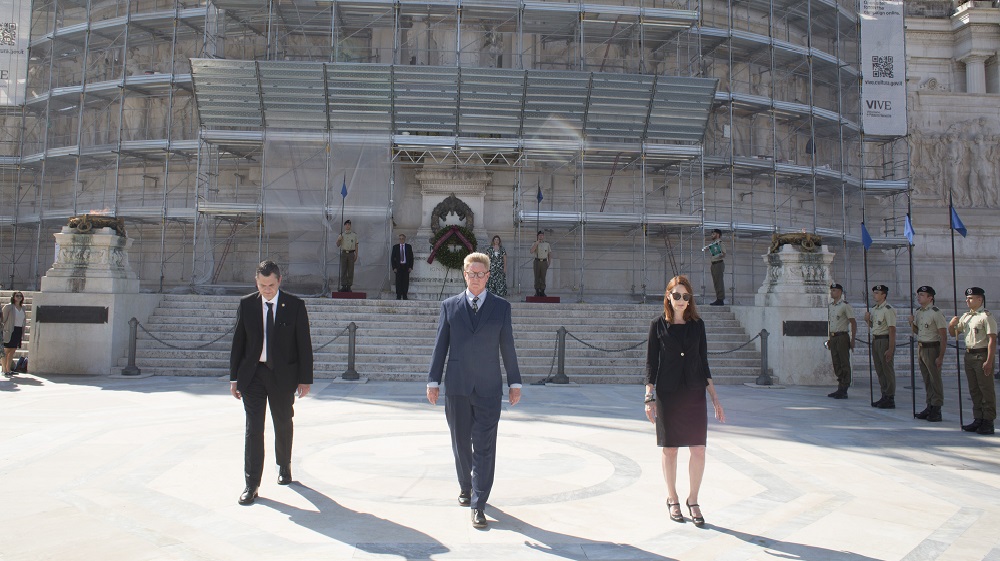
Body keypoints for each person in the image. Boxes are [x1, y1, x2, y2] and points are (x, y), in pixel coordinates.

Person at [426, 252, 522, 529]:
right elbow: (440, 345)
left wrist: (514, 382)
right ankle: (466, 485)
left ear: (488, 276)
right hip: (456, 385)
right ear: (464, 275)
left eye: (481, 274)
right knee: (460, 443)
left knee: (484, 445)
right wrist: (433, 381)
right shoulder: (450, 306)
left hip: (489, 388)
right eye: (472, 274)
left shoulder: (501, 308)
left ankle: (479, 503)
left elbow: (508, 346)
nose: (476, 278)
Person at [230, 260, 314, 505]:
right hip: (253, 375)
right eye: (262, 285)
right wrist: (234, 378)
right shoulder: (247, 305)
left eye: (271, 285)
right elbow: (238, 343)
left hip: (283, 376)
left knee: (283, 422)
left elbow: (304, 345)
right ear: (256, 282)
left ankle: (284, 464)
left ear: (279, 282)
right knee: (253, 429)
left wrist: (305, 380)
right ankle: (251, 483)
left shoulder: (295, 306)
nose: (267, 290)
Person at [644, 275, 725, 528]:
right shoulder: (657, 325)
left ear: (690, 300)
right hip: (668, 393)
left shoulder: (697, 325)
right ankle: (672, 497)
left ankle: (693, 499)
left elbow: (704, 362)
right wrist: (649, 397)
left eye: (685, 296)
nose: (681, 300)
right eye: (676, 295)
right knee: (670, 449)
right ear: (668, 296)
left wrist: (715, 398)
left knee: (698, 448)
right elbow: (651, 364)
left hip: (693, 392)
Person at [948, 287, 997, 435]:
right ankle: (978, 418)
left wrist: (989, 361)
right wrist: (951, 324)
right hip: (969, 355)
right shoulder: (966, 317)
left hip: (981, 355)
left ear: (979, 299)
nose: (967, 301)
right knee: (974, 389)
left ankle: (988, 421)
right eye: (967, 298)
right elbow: (953, 333)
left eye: (970, 298)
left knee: (986, 389)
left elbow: (992, 340)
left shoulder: (986, 316)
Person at [910, 286, 948, 422]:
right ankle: (929, 404)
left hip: (932, 348)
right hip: (921, 346)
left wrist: (941, 356)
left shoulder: (936, 313)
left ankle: (937, 407)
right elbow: (918, 331)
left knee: (935, 379)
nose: (919, 297)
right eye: (918, 295)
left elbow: (943, 336)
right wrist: (911, 324)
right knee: (927, 379)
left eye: (922, 295)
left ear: (930, 298)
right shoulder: (919, 312)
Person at [865, 285, 897, 408]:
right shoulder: (875, 309)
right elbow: (875, 326)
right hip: (876, 340)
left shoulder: (888, 309)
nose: (874, 295)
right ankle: (884, 394)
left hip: (884, 340)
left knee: (887, 370)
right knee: (880, 370)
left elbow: (892, 329)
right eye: (874, 293)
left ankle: (890, 397)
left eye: (877, 293)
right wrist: (868, 321)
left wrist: (890, 348)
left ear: (884, 295)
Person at [827, 283, 857, 399]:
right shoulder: (831, 306)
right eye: (831, 290)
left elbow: (853, 322)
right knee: (836, 362)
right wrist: (830, 338)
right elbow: (831, 323)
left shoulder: (845, 306)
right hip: (834, 337)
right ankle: (840, 385)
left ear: (840, 292)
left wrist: (853, 339)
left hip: (842, 336)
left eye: (834, 290)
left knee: (844, 362)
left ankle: (844, 387)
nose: (832, 292)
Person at [2, 292, 27, 377]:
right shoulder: (8, 307)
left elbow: (23, 320)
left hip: (18, 330)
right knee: (6, 351)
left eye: (20, 296)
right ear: (13, 297)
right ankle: (4, 369)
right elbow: (3, 319)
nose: (19, 297)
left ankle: (9, 369)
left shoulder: (23, 308)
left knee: (12, 350)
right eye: (17, 296)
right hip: (9, 330)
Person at [336, 219, 359, 292]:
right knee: (343, 270)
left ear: (350, 225)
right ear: (344, 226)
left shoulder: (354, 235)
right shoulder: (341, 234)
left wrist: (356, 254)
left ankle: (349, 286)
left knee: (350, 270)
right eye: (346, 224)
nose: (347, 226)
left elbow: (356, 245)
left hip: (351, 253)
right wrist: (339, 240)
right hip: (344, 253)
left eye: (349, 224)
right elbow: (337, 245)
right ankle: (343, 285)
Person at [706, 229, 726, 306]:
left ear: (718, 235)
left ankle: (720, 299)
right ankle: (718, 298)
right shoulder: (713, 244)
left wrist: (717, 253)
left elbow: (724, 254)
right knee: (716, 282)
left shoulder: (720, 243)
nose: (712, 235)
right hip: (714, 264)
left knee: (719, 282)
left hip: (718, 263)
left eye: (713, 234)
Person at [391, 233, 414, 300]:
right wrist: (394, 267)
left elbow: (411, 257)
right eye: (400, 238)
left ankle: (404, 295)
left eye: (402, 238)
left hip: (406, 267)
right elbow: (392, 258)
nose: (401, 240)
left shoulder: (408, 247)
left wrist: (410, 267)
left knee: (405, 281)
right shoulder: (395, 247)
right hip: (398, 267)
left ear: (404, 239)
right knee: (398, 281)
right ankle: (398, 295)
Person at [529, 231, 552, 297]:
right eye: (539, 235)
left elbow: (549, 253)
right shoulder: (534, 243)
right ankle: (537, 291)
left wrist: (549, 262)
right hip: (537, 261)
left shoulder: (547, 244)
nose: (541, 237)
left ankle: (542, 291)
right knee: (537, 277)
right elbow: (531, 251)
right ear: (537, 236)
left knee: (543, 277)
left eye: (542, 235)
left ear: (543, 236)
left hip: (544, 262)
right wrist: (536, 244)